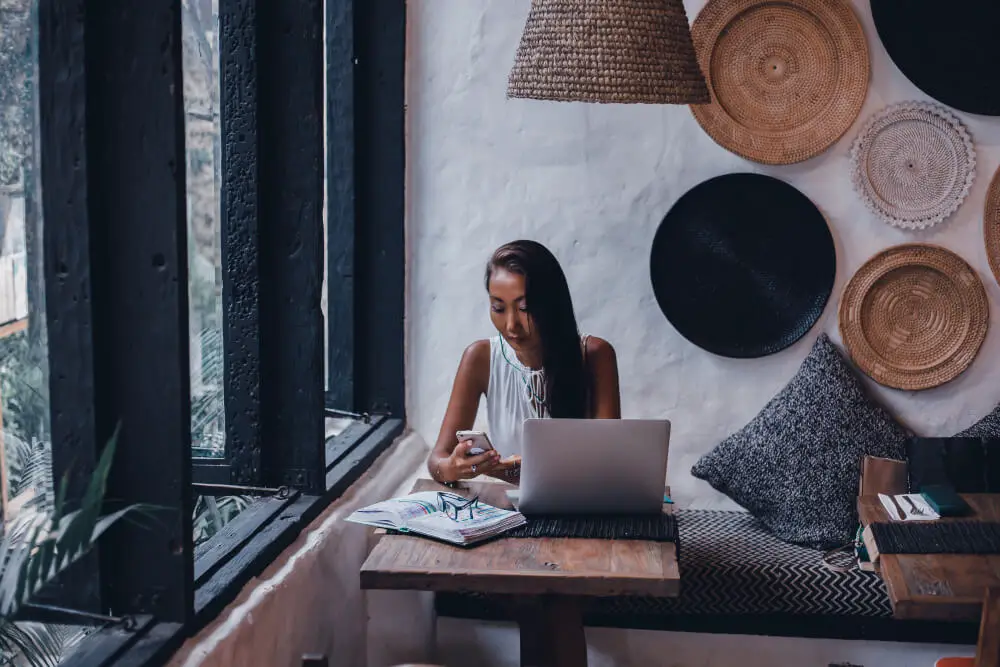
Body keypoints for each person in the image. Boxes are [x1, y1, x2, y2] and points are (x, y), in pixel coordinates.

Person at [427, 240, 621, 485]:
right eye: (498, 308)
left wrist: (524, 466)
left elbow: (609, 462)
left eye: (525, 308)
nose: (511, 325)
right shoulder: (479, 357)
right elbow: (437, 459)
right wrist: (454, 467)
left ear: (552, 305)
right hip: (510, 509)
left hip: (582, 509)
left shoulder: (595, 355)